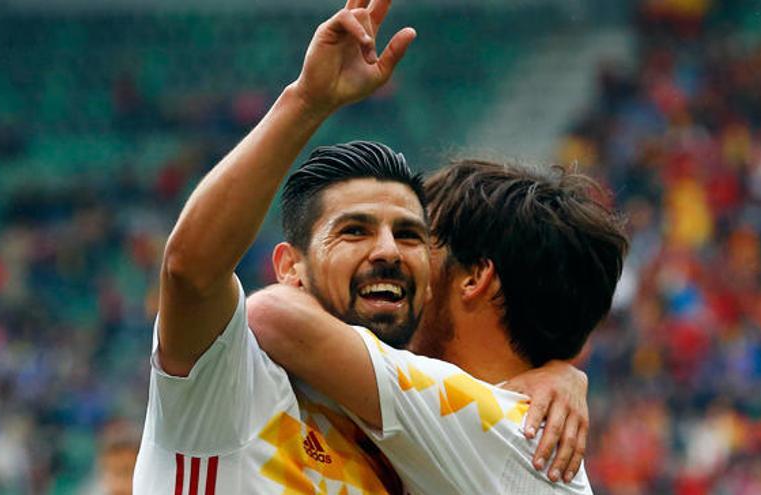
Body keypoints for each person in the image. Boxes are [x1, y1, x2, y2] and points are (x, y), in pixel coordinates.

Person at [134, 1, 589, 493]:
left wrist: (557, 375)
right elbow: (189, 271)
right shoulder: (233, 378)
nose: (389, 250)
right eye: (355, 230)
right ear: (291, 268)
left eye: (410, 235)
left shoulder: (418, 449)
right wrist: (306, 101)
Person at [247, 160, 627, 494]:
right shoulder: (516, 430)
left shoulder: (484, 420)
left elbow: (271, 314)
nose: (397, 259)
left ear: (474, 278)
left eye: (418, 240)